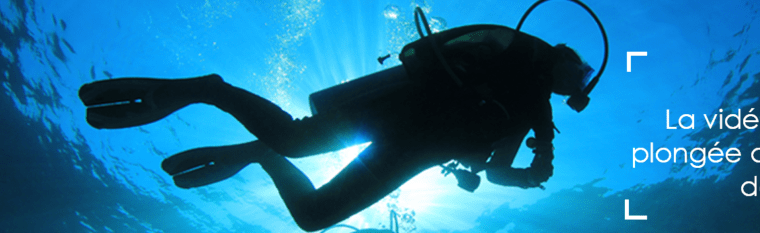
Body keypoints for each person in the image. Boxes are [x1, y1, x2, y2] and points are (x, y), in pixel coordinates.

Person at [79, 24, 596, 231]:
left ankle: (260, 153)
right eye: (580, 72)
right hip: (399, 112)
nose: (582, 84)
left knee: (314, 217)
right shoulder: (517, 60)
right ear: (562, 60)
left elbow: (497, 172)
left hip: (409, 155)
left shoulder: (535, 115)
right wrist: (541, 145)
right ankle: (210, 89)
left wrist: (531, 175)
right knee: (296, 140)